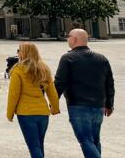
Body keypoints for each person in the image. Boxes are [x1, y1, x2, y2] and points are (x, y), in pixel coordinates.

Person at [54, 29, 115, 158]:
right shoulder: (101, 58)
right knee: (94, 140)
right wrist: (109, 104)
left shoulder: (68, 58)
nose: (67, 39)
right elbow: (109, 83)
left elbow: (59, 83)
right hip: (98, 106)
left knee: (86, 140)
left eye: (68, 37)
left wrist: (53, 103)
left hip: (78, 106)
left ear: (74, 39)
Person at [7, 42, 60, 158]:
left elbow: (13, 95)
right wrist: (55, 108)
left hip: (26, 113)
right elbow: (52, 92)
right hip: (43, 113)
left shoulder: (18, 70)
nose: (17, 53)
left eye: (19, 50)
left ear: (24, 52)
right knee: (39, 144)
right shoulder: (44, 68)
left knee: (33, 146)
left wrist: (9, 113)